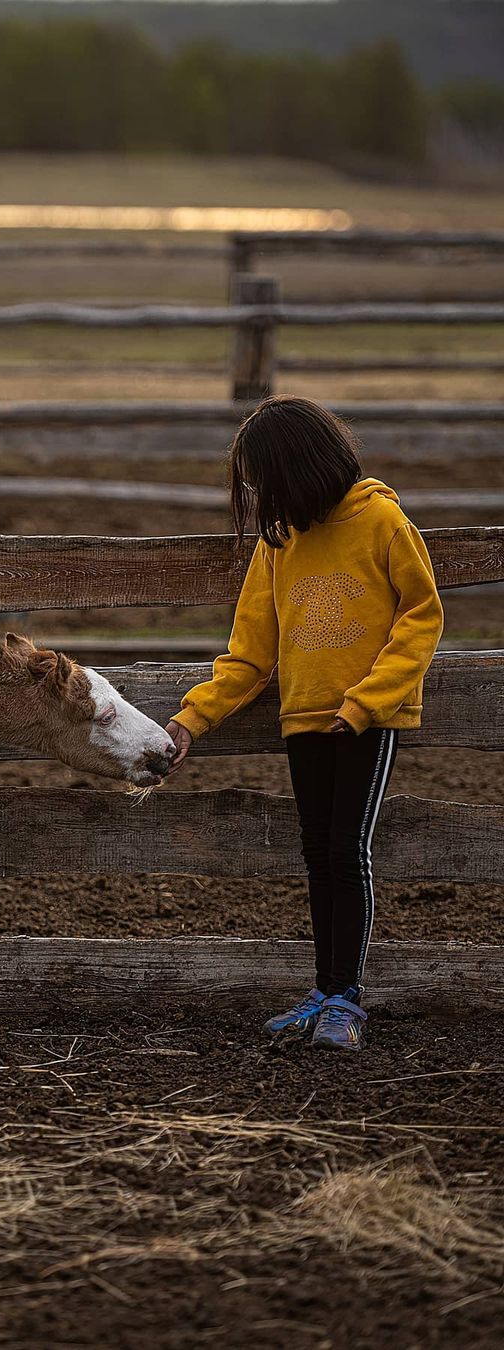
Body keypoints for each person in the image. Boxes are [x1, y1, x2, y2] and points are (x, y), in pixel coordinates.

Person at [165, 396, 443, 1051]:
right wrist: (189, 721)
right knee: (318, 855)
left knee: (348, 851)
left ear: (298, 468)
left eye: (264, 481)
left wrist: (367, 700)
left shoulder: (382, 521)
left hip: (367, 722)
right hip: (303, 721)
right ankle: (323, 992)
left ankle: (347, 1000)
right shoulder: (280, 543)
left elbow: (421, 616)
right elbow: (250, 653)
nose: (259, 496)